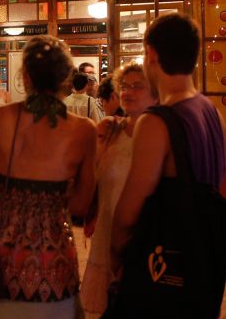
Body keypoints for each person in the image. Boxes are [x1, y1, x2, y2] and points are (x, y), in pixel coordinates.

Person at [0, 35, 96, 319]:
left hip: (1, 259)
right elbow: (81, 206)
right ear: (66, 78)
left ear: (25, 76)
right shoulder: (84, 130)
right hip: (55, 262)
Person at [110, 14, 226, 284]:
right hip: (201, 263)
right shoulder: (211, 112)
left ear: (150, 54)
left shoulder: (157, 122)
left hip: (162, 269)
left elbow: (128, 214)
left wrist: (116, 258)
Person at [80, 64, 155, 318]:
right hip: (106, 238)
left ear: (155, 93)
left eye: (137, 86)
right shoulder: (110, 130)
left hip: (143, 243)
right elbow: (91, 181)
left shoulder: (160, 137)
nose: (128, 92)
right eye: (124, 86)